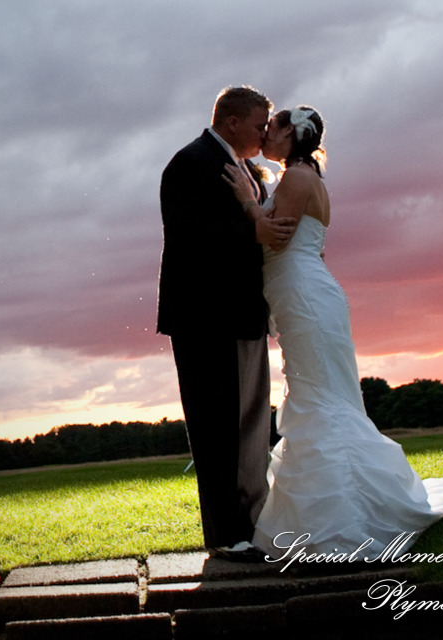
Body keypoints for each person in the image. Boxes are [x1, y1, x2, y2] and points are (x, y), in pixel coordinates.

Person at [223, 105, 443, 561]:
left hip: (305, 296)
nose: (265, 132)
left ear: (292, 133)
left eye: (272, 126)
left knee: (319, 398)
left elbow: (276, 238)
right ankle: (342, 509)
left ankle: (346, 522)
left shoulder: (296, 179)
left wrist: (246, 201)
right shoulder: (302, 177)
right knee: (322, 394)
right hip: (305, 295)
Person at [157, 85, 295, 555]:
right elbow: (188, 234)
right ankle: (228, 535)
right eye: (259, 125)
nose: (264, 133)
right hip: (205, 317)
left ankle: (251, 522)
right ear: (231, 121)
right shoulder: (189, 162)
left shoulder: (247, 170)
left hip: (242, 313)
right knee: (218, 427)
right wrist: (252, 229)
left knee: (252, 424)